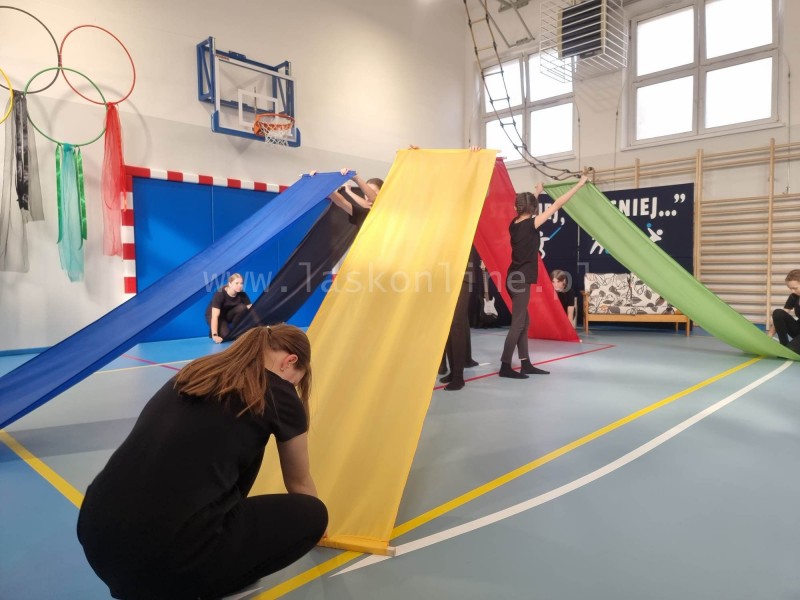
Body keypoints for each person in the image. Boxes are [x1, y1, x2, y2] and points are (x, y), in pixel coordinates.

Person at [77, 324, 327, 600]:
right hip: (162, 561)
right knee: (314, 514)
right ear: (289, 361)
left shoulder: (195, 372)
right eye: (295, 380)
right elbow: (299, 482)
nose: (291, 387)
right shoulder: (279, 393)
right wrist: (323, 531)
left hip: (96, 536)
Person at [500, 175, 588, 379]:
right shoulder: (531, 224)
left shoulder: (514, 223)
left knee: (524, 323)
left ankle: (525, 363)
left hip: (513, 278)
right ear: (533, 209)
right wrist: (579, 185)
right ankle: (505, 366)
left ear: (518, 208)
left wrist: (537, 191)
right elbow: (557, 204)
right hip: (520, 280)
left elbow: (527, 208)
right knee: (518, 324)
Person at [206, 272, 252, 343]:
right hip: (215, 315)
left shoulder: (242, 294)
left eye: (241, 283)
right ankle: (214, 330)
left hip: (227, 314)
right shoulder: (220, 294)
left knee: (242, 308)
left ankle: (236, 330)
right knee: (226, 335)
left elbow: (252, 310)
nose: (240, 285)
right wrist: (215, 335)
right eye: (236, 283)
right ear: (230, 284)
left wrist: (261, 326)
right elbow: (215, 316)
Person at [768, 269, 800, 352]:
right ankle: (784, 344)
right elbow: (780, 316)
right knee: (778, 313)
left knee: (791, 350)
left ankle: (789, 348)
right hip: (798, 330)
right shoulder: (794, 296)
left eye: (795, 288)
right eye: (790, 288)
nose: (792, 291)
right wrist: (770, 335)